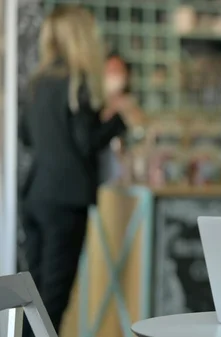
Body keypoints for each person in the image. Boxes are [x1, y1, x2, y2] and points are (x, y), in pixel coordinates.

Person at [18, 5, 130, 335]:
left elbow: (25, 135)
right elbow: (86, 142)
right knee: (53, 299)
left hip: (36, 195)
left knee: (32, 296)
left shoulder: (37, 82)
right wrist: (118, 120)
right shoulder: (76, 83)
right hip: (66, 200)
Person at [98, 52, 146, 184]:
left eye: (118, 70)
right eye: (110, 70)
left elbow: (141, 136)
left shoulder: (131, 107)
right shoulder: (96, 107)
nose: (114, 76)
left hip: (127, 179)